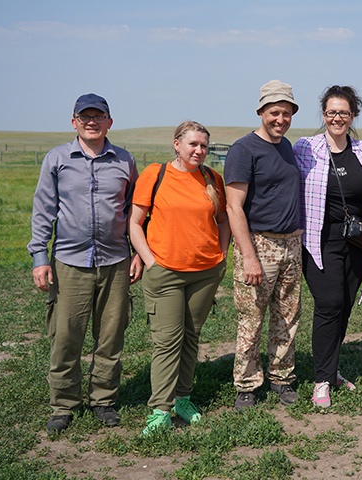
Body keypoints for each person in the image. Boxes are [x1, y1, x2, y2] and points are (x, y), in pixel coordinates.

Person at [28, 93, 142, 434]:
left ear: (109, 121)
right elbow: (43, 210)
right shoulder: (57, 159)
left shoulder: (124, 161)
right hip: (70, 262)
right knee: (65, 337)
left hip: (116, 262)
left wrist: (137, 252)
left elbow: (136, 212)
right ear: (74, 121)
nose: (92, 121)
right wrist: (39, 257)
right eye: (85, 116)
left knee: (110, 336)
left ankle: (103, 400)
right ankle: (64, 404)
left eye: (99, 116)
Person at [128, 121, 230, 435]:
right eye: (193, 145)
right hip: (166, 273)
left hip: (205, 273)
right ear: (177, 144)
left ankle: (183, 399)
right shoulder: (155, 174)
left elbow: (223, 219)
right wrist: (151, 262)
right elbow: (135, 222)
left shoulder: (213, 178)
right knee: (166, 341)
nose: (199, 151)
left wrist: (222, 255)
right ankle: (160, 410)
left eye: (203, 146)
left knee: (191, 337)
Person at [292, 85, 362, 408]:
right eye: (331, 112)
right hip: (319, 240)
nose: (337, 118)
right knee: (329, 303)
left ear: (352, 115)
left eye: (343, 112)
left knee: (343, 306)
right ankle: (321, 381)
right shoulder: (305, 148)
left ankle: (331, 370)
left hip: (357, 241)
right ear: (323, 115)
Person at [224, 80, 303, 412]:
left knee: (287, 315)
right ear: (261, 112)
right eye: (274, 112)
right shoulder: (244, 149)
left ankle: (281, 377)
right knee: (252, 317)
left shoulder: (288, 147)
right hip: (259, 244)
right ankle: (246, 384)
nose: (280, 119)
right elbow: (233, 207)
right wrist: (250, 258)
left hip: (291, 245)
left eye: (286, 113)